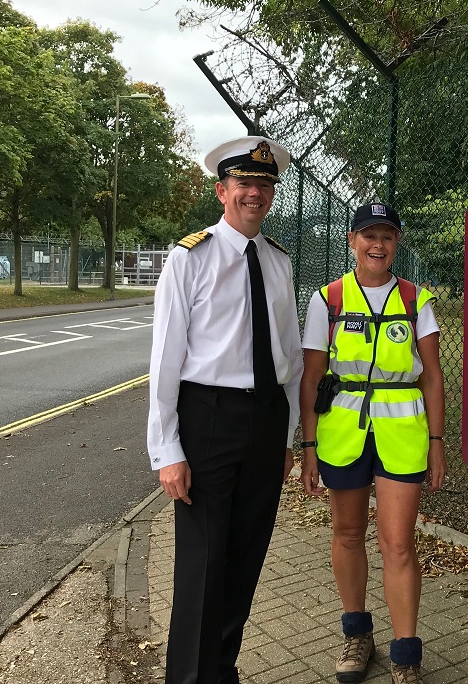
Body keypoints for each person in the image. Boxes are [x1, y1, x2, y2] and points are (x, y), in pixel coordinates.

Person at [147, 136, 304, 684]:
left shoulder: (279, 262)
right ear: (222, 190)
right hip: (208, 419)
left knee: (245, 557)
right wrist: (167, 450)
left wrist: (286, 438)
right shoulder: (189, 258)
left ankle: (221, 669)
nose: (255, 194)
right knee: (203, 563)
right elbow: (165, 361)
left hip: (263, 422)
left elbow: (288, 361)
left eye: (264, 185)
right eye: (244, 184)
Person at [299, 201, 446, 684]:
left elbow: (433, 378)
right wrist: (308, 446)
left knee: (398, 543)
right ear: (352, 241)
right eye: (368, 235)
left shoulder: (416, 301)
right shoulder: (328, 299)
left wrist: (438, 443)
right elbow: (312, 376)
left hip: (402, 436)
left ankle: (406, 656)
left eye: (386, 236)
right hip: (343, 435)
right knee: (346, 534)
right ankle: (357, 633)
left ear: (396, 243)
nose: (377, 244)